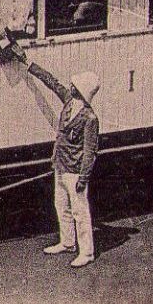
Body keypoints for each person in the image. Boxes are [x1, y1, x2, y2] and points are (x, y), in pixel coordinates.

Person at [16, 50, 100, 268]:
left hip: (74, 170)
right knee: (61, 205)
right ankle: (68, 242)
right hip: (61, 164)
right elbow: (51, 82)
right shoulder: (69, 102)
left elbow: (90, 150)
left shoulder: (90, 118)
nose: (69, 86)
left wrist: (84, 177)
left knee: (80, 211)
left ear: (80, 91)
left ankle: (87, 252)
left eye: (74, 85)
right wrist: (28, 63)